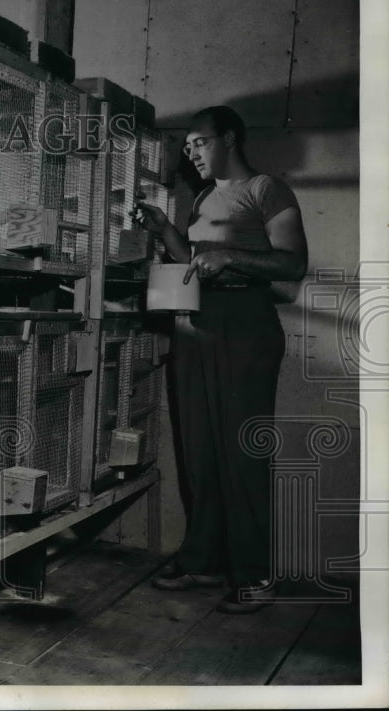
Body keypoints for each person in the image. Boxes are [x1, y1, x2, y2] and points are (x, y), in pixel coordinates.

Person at [135, 105, 308, 614]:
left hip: (244, 323)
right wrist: (167, 228)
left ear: (229, 138)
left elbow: (294, 262)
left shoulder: (266, 190)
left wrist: (230, 257)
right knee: (199, 451)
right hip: (195, 324)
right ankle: (205, 559)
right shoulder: (206, 197)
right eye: (186, 147)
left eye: (199, 142)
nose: (190, 153)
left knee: (241, 453)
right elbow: (193, 265)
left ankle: (255, 574)